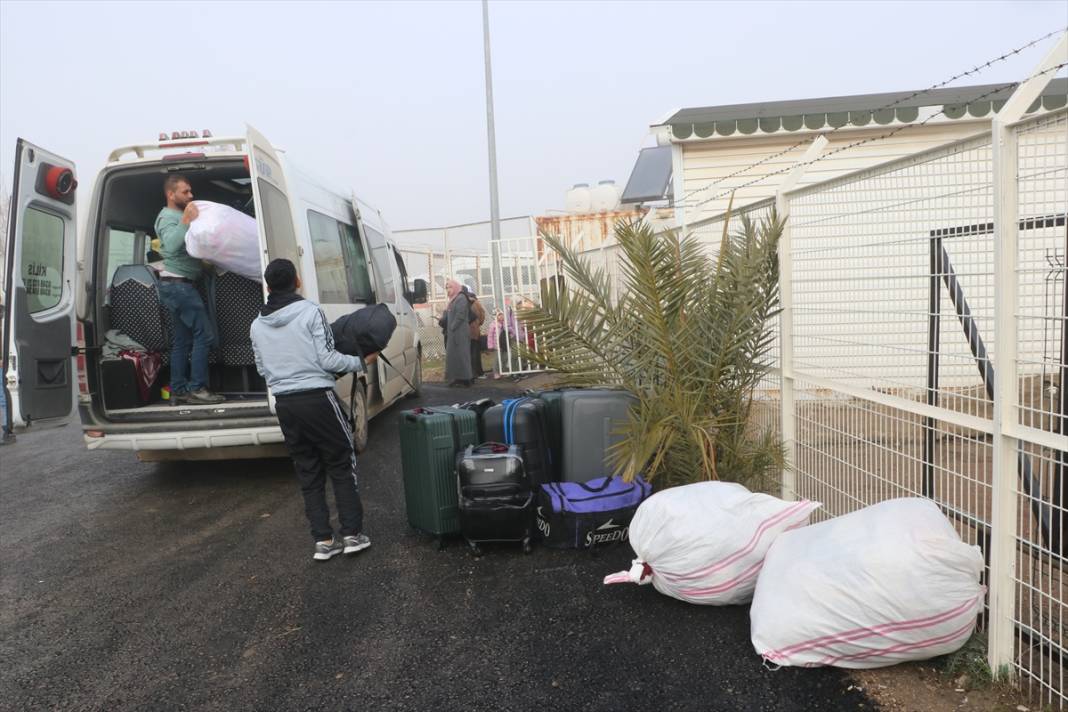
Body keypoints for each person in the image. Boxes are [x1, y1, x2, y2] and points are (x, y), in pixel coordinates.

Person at [250, 258, 374, 562]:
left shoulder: (256, 324)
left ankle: (323, 541)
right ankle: (352, 535)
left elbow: (263, 369)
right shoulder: (310, 312)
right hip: (318, 398)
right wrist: (360, 362)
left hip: (286, 404)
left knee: (308, 471)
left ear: (267, 286)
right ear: (297, 281)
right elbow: (328, 360)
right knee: (342, 462)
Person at [154, 175, 224, 405]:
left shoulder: (178, 215)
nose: (191, 196)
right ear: (171, 194)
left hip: (178, 285)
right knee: (204, 335)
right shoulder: (167, 218)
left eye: (191, 191)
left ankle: (178, 390)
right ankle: (197, 388)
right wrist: (186, 220)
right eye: (185, 192)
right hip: (179, 287)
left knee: (182, 342)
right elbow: (172, 244)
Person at [439, 278, 473, 386]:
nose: (448, 290)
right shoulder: (454, 299)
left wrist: (452, 327)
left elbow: (461, 315)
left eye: (450, 287)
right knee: (454, 356)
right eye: (447, 288)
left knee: (462, 356)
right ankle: (457, 378)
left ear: (456, 287)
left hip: (460, 333)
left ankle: (466, 379)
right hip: (453, 333)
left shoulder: (461, 298)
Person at [464, 286, 486, 379]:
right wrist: (478, 323)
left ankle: (468, 373)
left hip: (463, 332)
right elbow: (482, 315)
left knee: (466, 353)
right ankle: (478, 373)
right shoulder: (476, 302)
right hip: (474, 332)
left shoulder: (459, 301)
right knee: (475, 352)